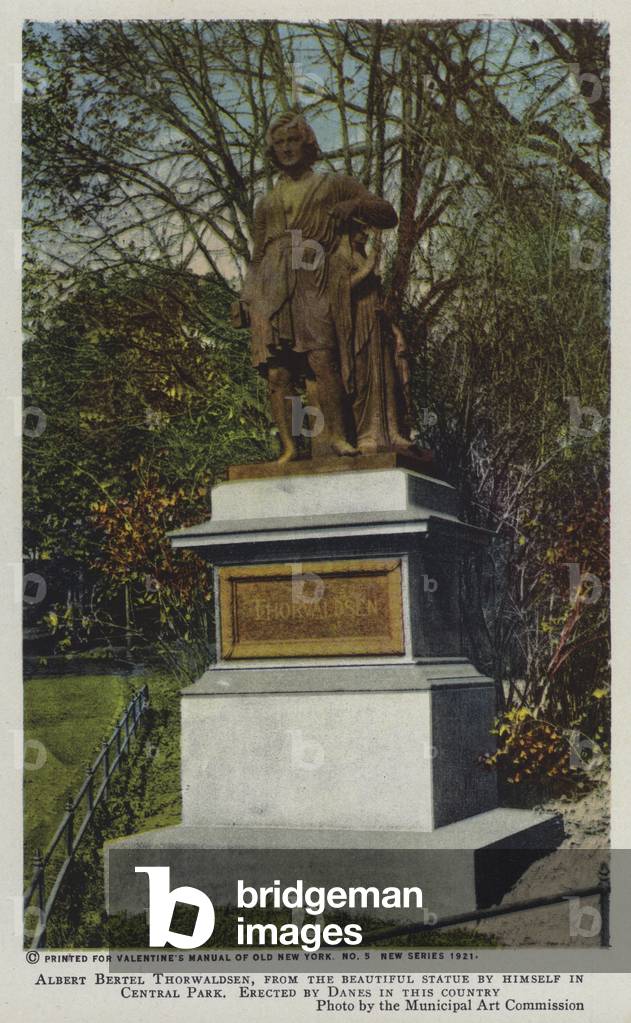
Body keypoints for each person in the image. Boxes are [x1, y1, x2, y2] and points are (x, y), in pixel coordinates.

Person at [239, 112, 398, 463]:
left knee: (323, 360)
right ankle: (290, 448)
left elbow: (387, 214)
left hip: (314, 282)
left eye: (292, 141)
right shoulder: (266, 203)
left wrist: (355, 205)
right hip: (270, 288)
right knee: (279, 373)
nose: (286, 149)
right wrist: (246, 297)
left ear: (307, 143)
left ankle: (338, 437)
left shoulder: (332, 185)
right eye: (279, 144)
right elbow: (258, 253)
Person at [329, 218, 414, 453]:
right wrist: (367, 270)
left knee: (385, 378)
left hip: (376, 324)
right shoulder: (338, 258)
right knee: (363, 379)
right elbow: (339, 290)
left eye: (366, 228)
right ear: (347, 232)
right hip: (355, 322)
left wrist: (394, 329)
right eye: (360, 228)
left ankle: (391, 432)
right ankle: (365, 434)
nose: (365, 233)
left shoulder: (363, 256)